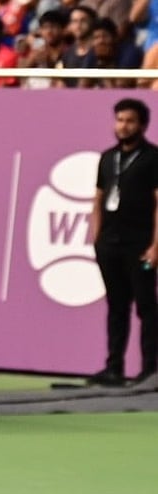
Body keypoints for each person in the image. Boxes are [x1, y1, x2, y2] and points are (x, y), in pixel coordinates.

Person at [88, 98, 158, 387]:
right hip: (109, 244)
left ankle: (149, 371)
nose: (123, 126)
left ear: (142, 125)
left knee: (146, 306)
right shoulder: (107, 158)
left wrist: (155, 246)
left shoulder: (153, 158)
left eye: (129, 121)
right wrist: (97, 239)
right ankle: (113, 367)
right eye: (119, 120)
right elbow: (98, 199)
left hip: (139, 244)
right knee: (116, 306)